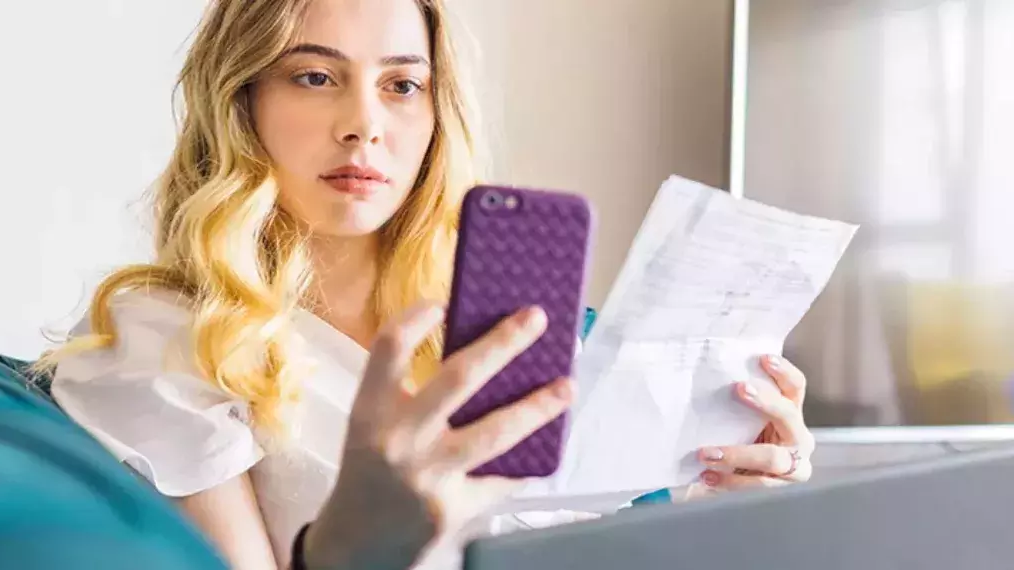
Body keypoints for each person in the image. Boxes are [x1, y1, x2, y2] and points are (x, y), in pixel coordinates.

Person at [42, 0, 816, 568]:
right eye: (314, 77)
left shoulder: (505, 327)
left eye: (402, 85)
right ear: (241, 103)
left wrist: (715, 512)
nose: (364, 124)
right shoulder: (165, 338)